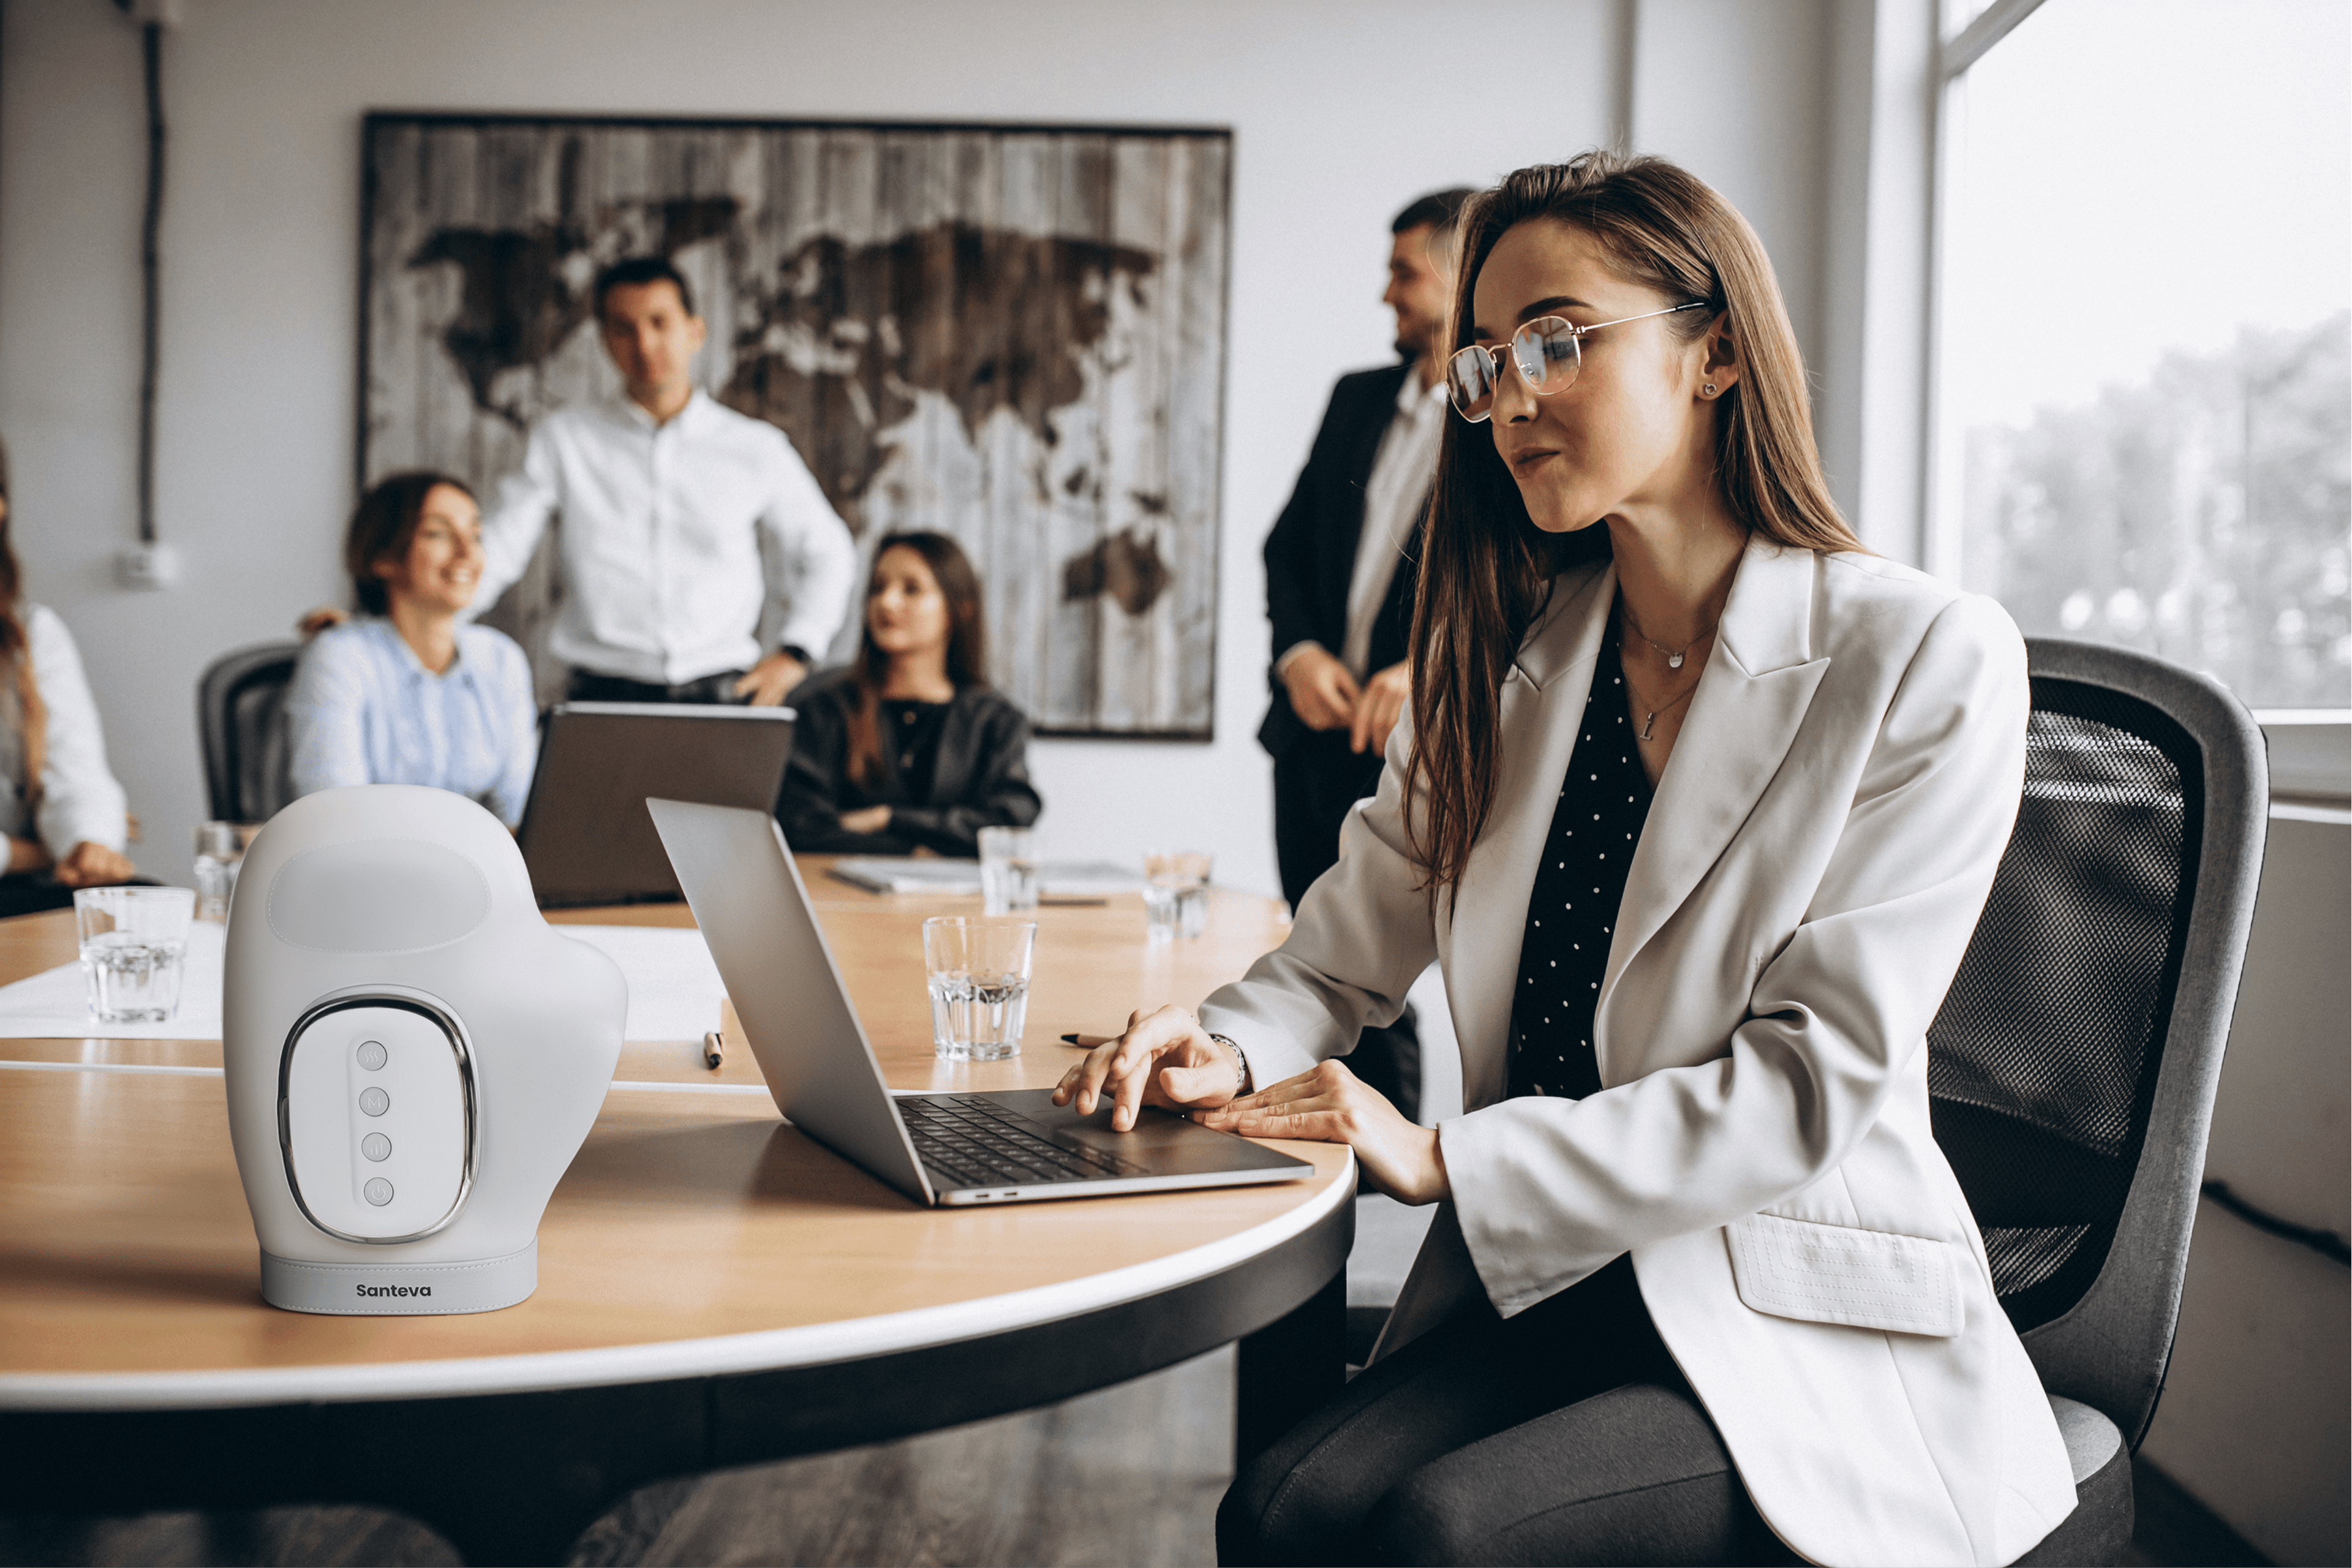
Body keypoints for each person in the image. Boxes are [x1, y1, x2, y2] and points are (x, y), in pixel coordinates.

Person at [1056, 153, 2077, 1567]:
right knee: (1281, 1508)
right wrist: (1224, 1044)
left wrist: (1437, 1153)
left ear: (1714, 350)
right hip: (1548, 1268)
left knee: (1436, 1532)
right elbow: (1335, 957)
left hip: (1779, 1298)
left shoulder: (1920, 655)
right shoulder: (1502, 655)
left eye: (1555, 341)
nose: (1507, 398)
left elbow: (1808, 1082)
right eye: (1484, 364)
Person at [1258, 187, 1474, 1122]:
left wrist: (1433, 667)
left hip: (1415, 744)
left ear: (1462, 276)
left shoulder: (1508, 416)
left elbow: (1531, 579)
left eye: (1404, 272)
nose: (1387, 293)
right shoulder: (1356, 399)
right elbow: (1287, 548)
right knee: (1312, 968)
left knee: (1380, 993)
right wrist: (1298, 654)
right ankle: (1316, 1153)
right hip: (1311, 738)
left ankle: (1381, 1173)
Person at [472, 255, 859, 706]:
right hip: (601, 692)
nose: (644, 343)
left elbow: (828, 550)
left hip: (724, 692)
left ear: (695, 331)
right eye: (624, 328)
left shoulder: (757, 447)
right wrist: (430, 626)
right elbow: (498, 549)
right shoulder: (564, 440)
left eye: (659, 322)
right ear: (604, 340)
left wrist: (798, 651)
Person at [286, 472, 538, 827]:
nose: (468, 553)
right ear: (383, 558)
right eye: (437, 534)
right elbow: (336, 818)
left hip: (478, 861)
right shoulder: (341, 657)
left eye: (476, 535)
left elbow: (521, 814)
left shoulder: (502, 659)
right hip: (373, 862)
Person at [774, 530, 1039, 857]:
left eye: (911, 589)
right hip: (831, 888)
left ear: (959, 609)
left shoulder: (996, 720)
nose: (887, 602)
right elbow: (798, 825)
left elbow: (1010, 820)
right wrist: (916, 848)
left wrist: (886, 819)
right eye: (877, 588)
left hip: (952, 893)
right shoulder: (822, 707)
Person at [0, 441, 137, 916]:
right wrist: (26, 854)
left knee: (139, 908)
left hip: (18, 887)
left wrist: (86, 841)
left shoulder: (32, 634)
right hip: (18, 872)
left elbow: (78, 771)